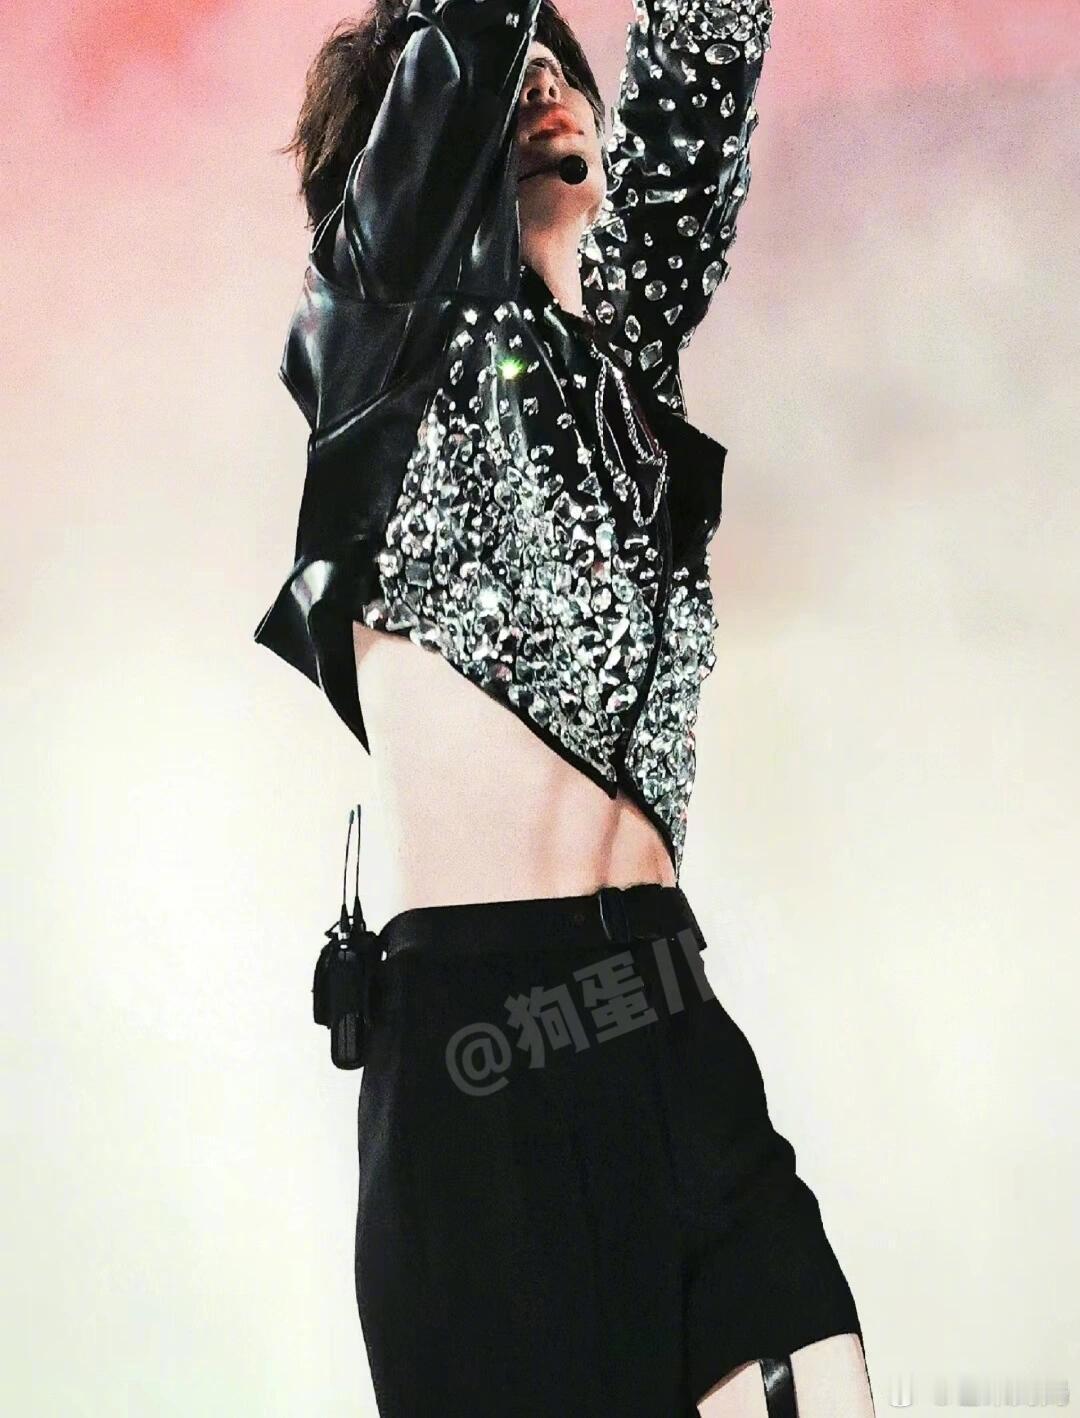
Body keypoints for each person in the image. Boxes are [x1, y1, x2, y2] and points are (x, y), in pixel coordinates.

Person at [254, 1, 876, 1414]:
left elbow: (701, 79)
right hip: (484, 1073)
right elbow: (451, 71)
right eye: (508, 68)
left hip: (670, 1015)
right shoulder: (382, 339)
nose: (544, 81)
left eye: (562, 69)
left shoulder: (631, 370)